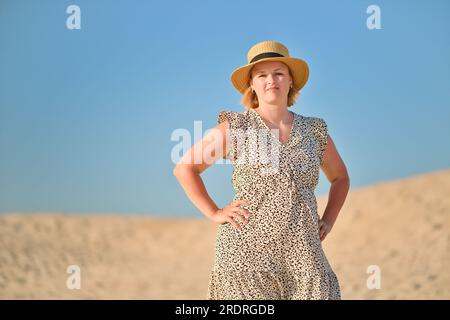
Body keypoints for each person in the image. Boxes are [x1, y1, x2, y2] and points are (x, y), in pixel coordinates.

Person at [173, 40, 350, 300]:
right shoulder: (236, 127)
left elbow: (340, 178)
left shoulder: (314, 131)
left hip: (303, 254)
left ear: (291, 81)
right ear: (252, 85)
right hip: (245, 257)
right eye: (262, 75)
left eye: (279, 73)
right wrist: (214, 212)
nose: (271, 81)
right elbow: (185, 168)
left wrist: (329, 219)